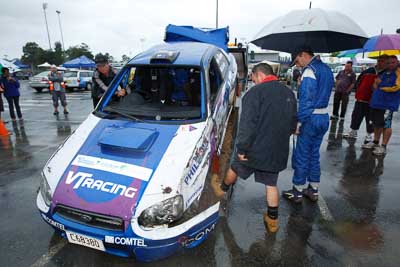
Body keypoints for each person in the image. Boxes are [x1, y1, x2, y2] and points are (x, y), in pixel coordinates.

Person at [214, 63, 297, 233]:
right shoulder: (288, 93)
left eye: (252, 77)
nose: (252, 80)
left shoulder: (253, 94)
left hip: (253, 150)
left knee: (235, 167)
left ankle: (221, 190)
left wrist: (242, 149)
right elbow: (292, 124)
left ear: (258, 75)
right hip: (275, 150)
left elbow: (247, 126)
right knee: (271, 184)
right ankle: (272, 221)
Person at [282, 46, 334, 204]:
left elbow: (306, 101)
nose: (297, 65)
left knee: (302, 154)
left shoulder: (310, 71)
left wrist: (298, 122)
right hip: (323, 116)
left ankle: (297, 191)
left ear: (303, 55)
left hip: (310, 119)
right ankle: (313, 189)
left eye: (297, 61)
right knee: (314, 154)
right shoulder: (325, 69)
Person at [343, 55, 388, 145]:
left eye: (383, 61)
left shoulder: (386, 74)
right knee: (356, 116)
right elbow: (358, 82)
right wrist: (358, 92)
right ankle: (353, 131)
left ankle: (369, 134)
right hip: (361, 98)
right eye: (379, 60)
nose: (380, 62)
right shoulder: (368, 71)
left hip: (374, 102)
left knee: (371, 119)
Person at [367, 55, 400, 155]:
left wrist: (381, 87)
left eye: (393, 62)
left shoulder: (398, 74)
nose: (390, 64)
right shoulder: (383, 73)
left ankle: (383, 146)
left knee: (386, 125)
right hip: (377, 103)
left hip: (388, 104)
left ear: (397, 62)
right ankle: (376, 142)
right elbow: (374, 87)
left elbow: (396, 87)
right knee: (377, 124)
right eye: (388, 62)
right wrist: (376, 84)